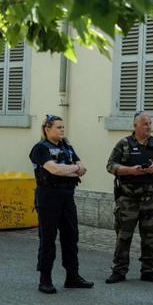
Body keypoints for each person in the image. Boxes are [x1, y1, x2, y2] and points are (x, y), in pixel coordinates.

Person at [105, 112, 153, 283]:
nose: (148, 126)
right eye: (144, 124)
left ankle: (148, 270)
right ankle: (119, 270)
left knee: (150, 236)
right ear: (135, 126)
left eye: (150, 123)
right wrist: (130, 170)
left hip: (150, 199)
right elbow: (110, 165)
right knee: (123, 236)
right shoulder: (124, 144)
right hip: (128, 200)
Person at [29, 115, 92, 294]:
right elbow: (54, 169)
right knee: (48, 238)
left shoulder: (67, 147)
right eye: (58, 127)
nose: (62, 130)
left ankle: (72, 276)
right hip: (48, 196)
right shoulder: (40, 148)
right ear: (47, 129)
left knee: (71, 237)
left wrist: (69, 170)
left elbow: (82, 168)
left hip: (67, 196)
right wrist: (72, 169)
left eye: (63, 127)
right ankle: (45, 279)